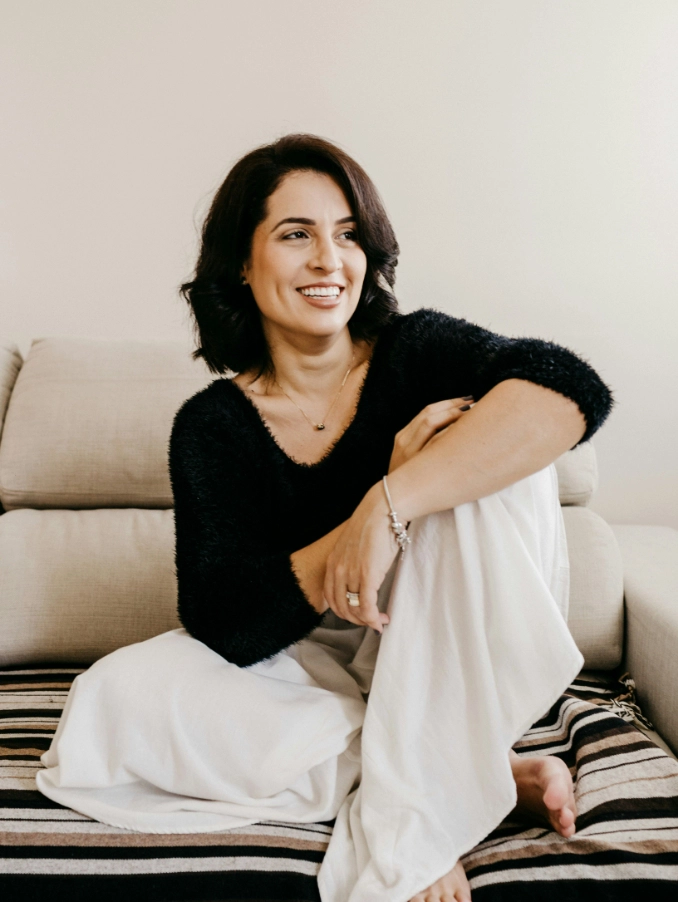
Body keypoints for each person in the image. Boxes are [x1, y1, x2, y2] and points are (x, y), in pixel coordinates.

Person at [37, 133, 613, 902]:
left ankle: (419, 813)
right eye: (295, 235)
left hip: (446, 631)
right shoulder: (212, 425)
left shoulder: (418, 349)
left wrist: (396, 499)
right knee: (113, 699)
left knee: (482, 451)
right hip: (320, 661)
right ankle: (476, 771)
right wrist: (360, 531)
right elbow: (226, 619)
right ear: (243, 263)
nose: (328, 260)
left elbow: (572, 389)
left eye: (347, 235)